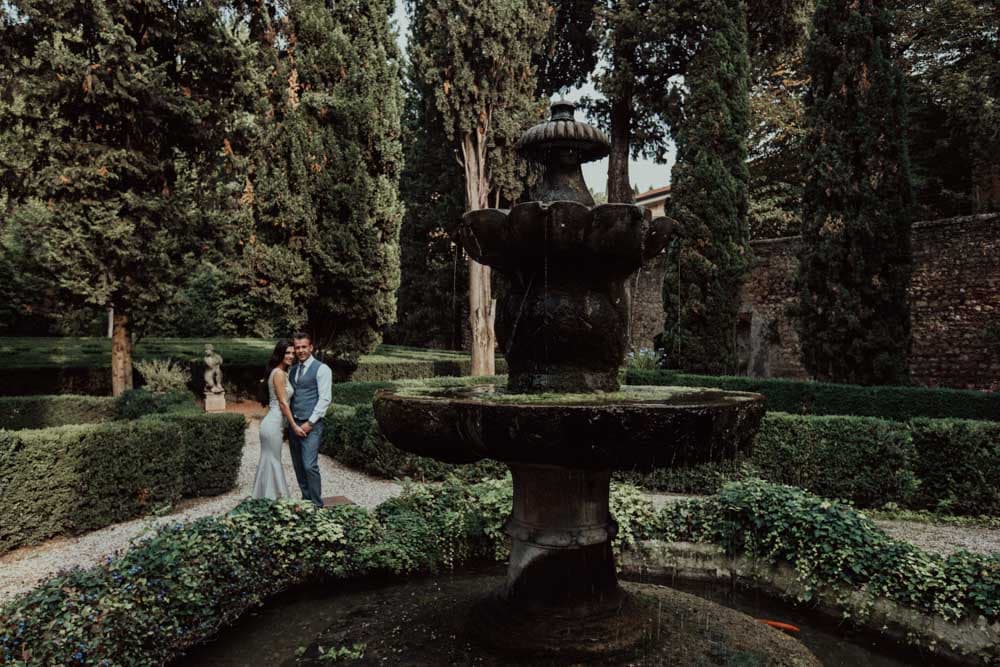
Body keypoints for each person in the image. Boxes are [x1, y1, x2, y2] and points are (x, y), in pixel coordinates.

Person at [287, 331, 332, 507]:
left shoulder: (322, 369)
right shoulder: (293, 370)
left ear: (311, 347)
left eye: (304, 347)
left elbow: (325, 399)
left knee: (309, 465)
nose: (300, 350)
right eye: (297, 347)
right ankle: (306, 501)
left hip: (311, 424)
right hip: (294, 425)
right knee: (298, 465)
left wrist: (310, 423)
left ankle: (316, 505)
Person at [252, 339, 300, 500]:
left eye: (293, 353)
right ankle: (278, 500)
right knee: (273, 461)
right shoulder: (279, 373)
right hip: (273, 424)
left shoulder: (281, 372)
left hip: (274, 423)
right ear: (280, 353)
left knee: (270, 461)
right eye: (287, 352)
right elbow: (283, 403)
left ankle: (265, 498)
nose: (291, 356)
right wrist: (293, 425)